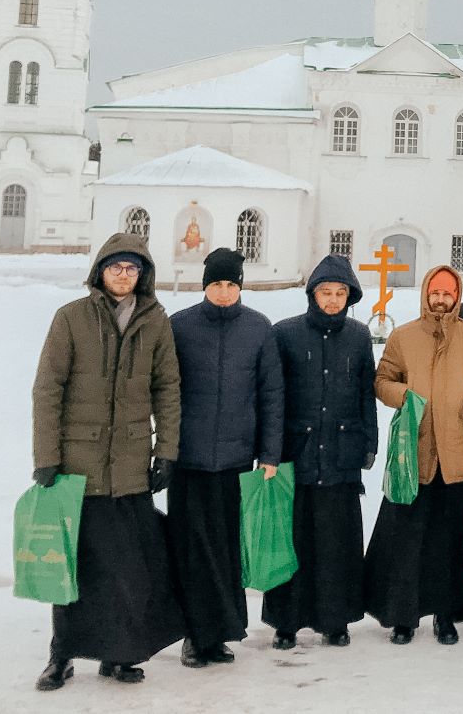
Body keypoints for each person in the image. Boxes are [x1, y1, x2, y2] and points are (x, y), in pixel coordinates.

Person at [30, 233, 184, 690]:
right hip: (79, 467)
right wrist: (46, 457)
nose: (123, 275)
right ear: (101, 270)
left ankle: (118, 654)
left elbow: (167, 389)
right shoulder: (71, 318)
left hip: (132, 468)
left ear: (143, 274)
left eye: (132, 268)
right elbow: (47, 390)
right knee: (75, 566)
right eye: (115, 266)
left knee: (129, 570)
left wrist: (166, 452)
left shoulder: (155, 322)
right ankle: (62, 654)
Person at [364, 264, 463, 644]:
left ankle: (445, 615)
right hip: (414, 455)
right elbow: (382, 379)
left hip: (456, 455)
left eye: (447, 293)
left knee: (448, 542)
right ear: (426, 294)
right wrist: (404, 396)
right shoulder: (404, 337)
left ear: (456, 295)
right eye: (434, 293)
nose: (441, 299)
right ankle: (404, 616)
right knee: (407, 539)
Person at [166, 248, 283, 667]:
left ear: (240, 286)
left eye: (230, 284)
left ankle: (221, 633)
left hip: (235, 460)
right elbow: (164, 392)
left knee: (227, 548)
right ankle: (195, 636)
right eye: (216, 283)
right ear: (205, 286)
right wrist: (165, 449)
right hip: (189, 459)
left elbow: (271, 394)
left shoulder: (258, 328)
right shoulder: (179, 326)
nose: (223, 291)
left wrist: (269, 451)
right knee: (192, 550)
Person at [263, 253, 378, 649]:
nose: (332, 300)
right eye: (325, 292)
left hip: (342, 453)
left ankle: (336, 619)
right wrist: (271, 450)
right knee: (295, 540)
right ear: (313, 294)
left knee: (337, 543)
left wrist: (369, 441)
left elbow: (366, 392)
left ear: (350, 296)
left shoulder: (359, 336)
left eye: (340, 293)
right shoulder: (286, 333)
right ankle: (286, 622)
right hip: (298, 451)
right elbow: (274, 397)